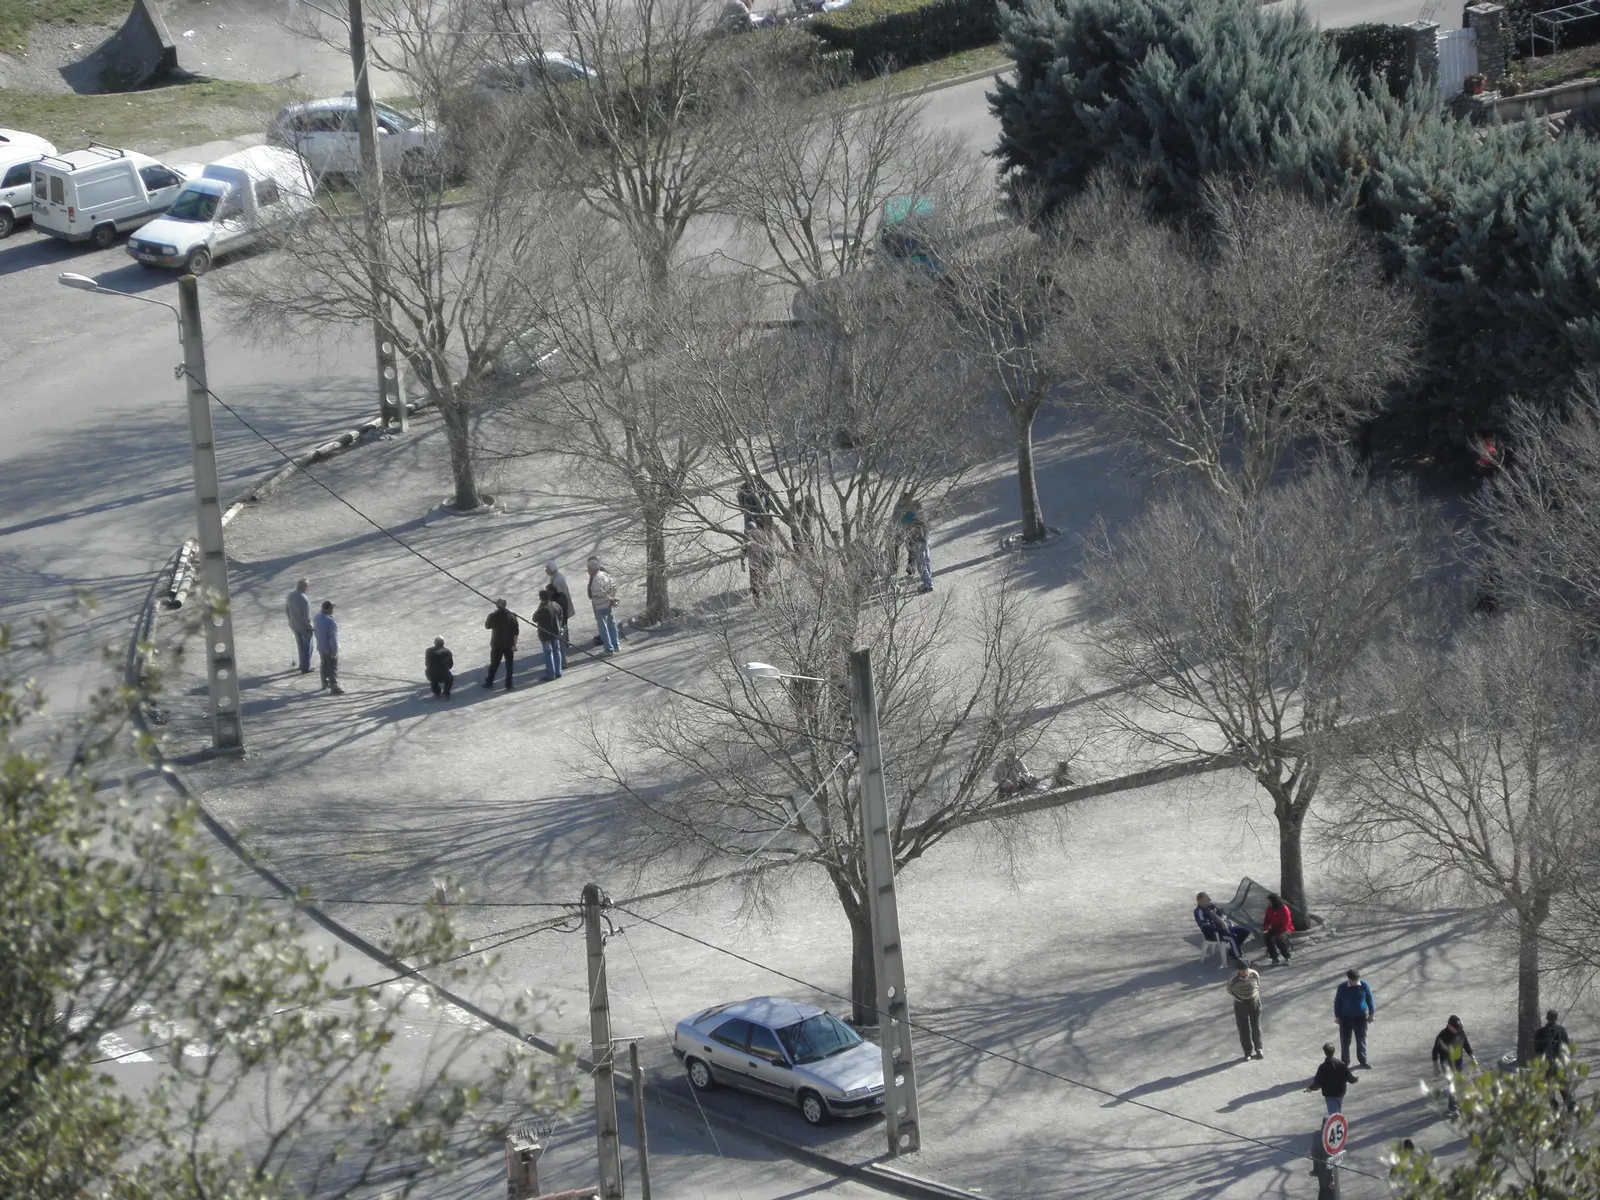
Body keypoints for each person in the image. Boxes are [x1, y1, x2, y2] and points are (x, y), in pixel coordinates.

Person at [1432, 1014, 1476, 1117]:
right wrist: (1435, 1067)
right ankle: (1453, 1108)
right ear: (1449, 1026)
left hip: (1458, 1062)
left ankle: (1451, 1106)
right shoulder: (1442, 1036)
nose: (1457, 1030)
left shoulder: (1460, 1032)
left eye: (1458, 1028)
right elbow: (1435, 1051)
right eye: (1455, 1028)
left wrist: (1472, 1056)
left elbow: (1466, 1044)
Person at [1333, 968, 1376, 1069]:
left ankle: (1363, 1060)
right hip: (1345, 1018)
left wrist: (1371, 1014)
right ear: (1349, 979)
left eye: (1357, 980)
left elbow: (1369, 999)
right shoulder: (1342, 987)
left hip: (1360, 1017)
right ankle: (1345, 1062)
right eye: (1354, 980)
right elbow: (1337, 1002)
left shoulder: (1364, 985)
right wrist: (1337, 1016)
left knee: (1361, 1039)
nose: (1356, 982)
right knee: (1345, 1041)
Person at [1226, 961, 1264, 1061]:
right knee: (1243, 1029)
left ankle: (1259, 1049)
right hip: (1240, 1004)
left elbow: (1258, 985)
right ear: (1238, 970)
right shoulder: (1233, 979)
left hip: (1255, 1002)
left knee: (1256, 1027)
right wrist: (1241, 997)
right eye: (1242, 971)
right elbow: (1230, 990)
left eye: (1246, 970)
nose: (1245, 972)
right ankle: (1248, 1052)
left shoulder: (1254, 974)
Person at [1193, 892, 1249, 961]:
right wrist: (1218, 926)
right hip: (1214, 933)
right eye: (1207, 899)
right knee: (1233, 937)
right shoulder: (1198, 912)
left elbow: (1221, 914)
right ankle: (1238, 957)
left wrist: (1216, 910)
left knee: (1245, 931)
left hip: (1224, 927)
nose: (1209, 900)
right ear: (1201, 901)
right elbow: (1204, 926)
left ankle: (1233, 950)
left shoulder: (1210, 907)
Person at [1306, 1042, 1358, 1116]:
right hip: (1340, 1092)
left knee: (1333, 1113)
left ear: (1325, 1052)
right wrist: (1355, 1079)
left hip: (1329, 1094)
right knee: (1338, 1109)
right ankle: (1338, 1123)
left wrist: (1310, 1088)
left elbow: (1318, 1083)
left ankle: (1335, 1124)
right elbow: (1350, 1078)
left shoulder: (1322, 1067)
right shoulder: (1341, 1064)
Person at [896, 496, 933, 593]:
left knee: (921, 564)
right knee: (926, 561)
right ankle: (928, 583)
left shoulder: (908, 515)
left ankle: (928, 584)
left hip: (917, 541)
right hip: (926, 539)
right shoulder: (921, 513)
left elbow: (901, 527)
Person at [483, 598, 519, 690]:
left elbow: (487, 626)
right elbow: (515, 632)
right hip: (509, 644)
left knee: (494, 664)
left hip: (497, 644)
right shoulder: (512, 616)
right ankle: (509, 683)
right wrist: (514, 644)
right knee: (509, 664)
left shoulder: (493, 616)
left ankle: (489, 682)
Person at [587, 557, 620, 653]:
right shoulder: (604, 574)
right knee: (612, 625)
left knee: (603, 629)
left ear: (593, 569)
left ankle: (609, 649)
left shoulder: (596, 579)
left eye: (588, 568)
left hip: (600, 607)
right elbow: (613, 586)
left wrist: (610, 598)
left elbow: (601, 595)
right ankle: (616, 645)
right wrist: (612, 598)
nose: (587, 570)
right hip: (608, 605)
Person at [534, 587, 565, 681]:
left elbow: (534, 618)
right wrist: (560, 626)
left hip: (545, 634)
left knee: (548, 653)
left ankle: (550, 674)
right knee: (557, 652)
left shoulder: (542, 609)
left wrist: (539, 608)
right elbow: (561, 615)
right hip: (556, 632)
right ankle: (558, 671)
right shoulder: (555, 605)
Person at [313, 600, 343, 695]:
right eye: (331, 608)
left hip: (321, 646)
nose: (332, 610)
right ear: (328, 609)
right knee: (332, 666)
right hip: (329, 648)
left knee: (324, 664)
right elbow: (332, 638)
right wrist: (334, 651)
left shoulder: (317, 617)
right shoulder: (329, 621)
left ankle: (324, 682)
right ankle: (334, 686)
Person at [285, 577, 313, 673]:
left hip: (293, 625)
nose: (308, 588)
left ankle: (302, 665)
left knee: (300, 646)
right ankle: (306, 667)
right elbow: (306, 617)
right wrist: (310, 627)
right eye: (307, 586)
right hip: (303, 626)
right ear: (304, 587)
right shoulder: (304, 599)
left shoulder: (290, 595)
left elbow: (287, 610)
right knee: (307, 646)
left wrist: (290, 620)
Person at [748, 514, 776, 605]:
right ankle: (765, 599)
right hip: (759, 563)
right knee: (761, 581)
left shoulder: (762, 534)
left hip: (759, 563)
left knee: (759, 582)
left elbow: (769, 549)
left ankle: (762, 599)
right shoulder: (763, 534)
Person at [545, 561, 574, 647]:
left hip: (561, 606)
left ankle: (564, 642)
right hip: (560, 605)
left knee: (563, 623)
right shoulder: (555, 577)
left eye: (547, 569)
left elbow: (561, 595)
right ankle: (564, 641)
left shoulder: (557, 580)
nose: (546, 571)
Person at [1262, 892, 1294, 965]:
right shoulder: (1270, 908)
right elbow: (1266, 919)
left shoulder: (1284, 909)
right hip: (1274, 928)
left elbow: (1286, 924)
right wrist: (1266, 928)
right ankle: (1274, 958)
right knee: (1266, 937)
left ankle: (1287, 956)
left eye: (1269, 901)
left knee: (1278, 939)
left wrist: (1277, 933)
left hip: (1286, 929)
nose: (1268, 903)